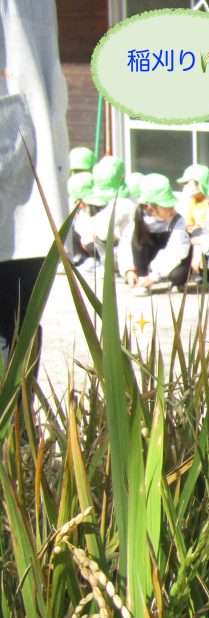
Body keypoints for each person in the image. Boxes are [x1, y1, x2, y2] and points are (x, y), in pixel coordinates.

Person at [1, 0, 70, 366]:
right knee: (17, 325)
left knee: (17, 324)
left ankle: (17, 402)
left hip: (29, 188)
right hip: (26, 171)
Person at [118, 174, 192, 296]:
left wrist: (155, 275)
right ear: (150, 209)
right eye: (167, 205)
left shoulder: (178, 220)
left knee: (179, 275)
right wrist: (128, 270)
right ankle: (141, 278)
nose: (172, 208)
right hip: (148, 258)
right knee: (138, 240)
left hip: (169, 261)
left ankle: (174, 282)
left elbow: (177, 250)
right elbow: (125, 245)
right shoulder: (138, 220)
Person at [76, 155, 134, 274]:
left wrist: (87, 236)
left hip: (127, 254)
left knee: (95, 238)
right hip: (132, 249)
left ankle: (109, 268)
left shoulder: (120, 204)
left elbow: (101, 231)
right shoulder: (130, 199)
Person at [176, 164, 209, 234]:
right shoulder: (193, 201)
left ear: (200, 184)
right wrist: (188, 226)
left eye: (186, 183)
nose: (184, 186)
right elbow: (189, 221)